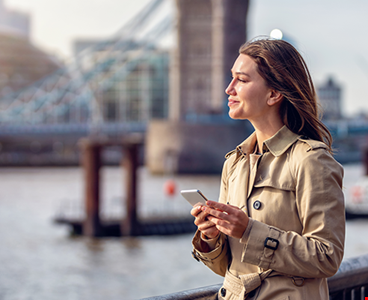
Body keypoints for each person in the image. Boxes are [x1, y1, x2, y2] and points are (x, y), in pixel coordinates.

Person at [190, 37, 345, 300]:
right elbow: (229, 268)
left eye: (241, 80)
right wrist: (212, 235)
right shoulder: (234, 163)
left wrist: (249, 231)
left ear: (274, 94)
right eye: (231, 78)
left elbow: (327, 256)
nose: (229, 89)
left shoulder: (311, 160)